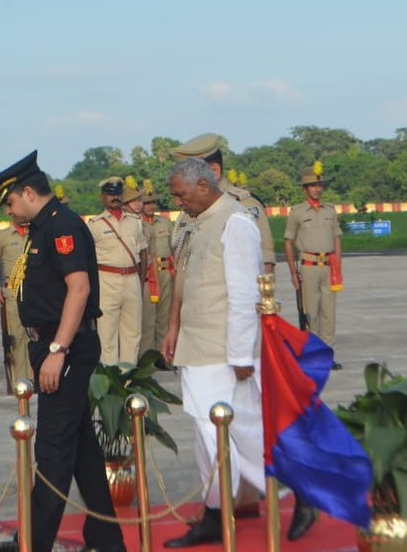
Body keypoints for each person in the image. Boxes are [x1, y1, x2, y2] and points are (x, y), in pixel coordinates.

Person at [0, 150, 127, 552]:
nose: (10, 212)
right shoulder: (41, 227)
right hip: (49, 342)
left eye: (11, 202)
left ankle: (31, 541)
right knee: (81, 450)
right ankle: (106, 538)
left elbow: (78, 289)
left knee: (53, 449)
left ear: (29, 192)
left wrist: (58, 350)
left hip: (65, 345)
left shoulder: (61, 226)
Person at [160, 159, 265, 548]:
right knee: (234, 432)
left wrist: (240, 355)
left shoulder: (235, 223)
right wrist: (174, 329)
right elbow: (188, 286)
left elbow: (243, 295)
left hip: (221, 351)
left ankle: (218, 514)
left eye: (181, 195)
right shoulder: (198, 224)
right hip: (200, 344)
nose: (178, 203)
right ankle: (293, 490)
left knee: (214, 433)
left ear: (203, 187)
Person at [169, 133, 276, 274]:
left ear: (214, 171)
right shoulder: (188, 212)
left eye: (189, 174)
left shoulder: (243, 206)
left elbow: (263, 266)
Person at [283, 162, 343, 366]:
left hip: (328, 266)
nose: (317, 189)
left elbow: (336, 239)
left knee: (329, 313)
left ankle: (328, 355)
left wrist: (338, 267)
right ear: (305, 189)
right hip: (308, 267)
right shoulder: (298, 213)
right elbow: (288, 242)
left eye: (319, 186)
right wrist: (293, 271)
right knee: (311, 313)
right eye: (312, 186)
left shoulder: (330, 211)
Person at [87, 176, 146, 365]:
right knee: (107, 334)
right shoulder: (94, 225)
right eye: (110, 194)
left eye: (118, 193)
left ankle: (128, 380)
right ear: (102, 197)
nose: (115, 197)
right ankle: (111, 383)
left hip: (132, 279)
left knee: (133, 333)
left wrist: (141, 280)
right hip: (106, 279)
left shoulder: (135, 221)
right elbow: (87, 260)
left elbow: (143, 253)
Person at [0, 218, 33, 385]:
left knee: (34, 335)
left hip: (33, 289)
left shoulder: (35, 233)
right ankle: (21, 380)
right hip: (13, 290)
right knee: (17, 336)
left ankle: (34, 377)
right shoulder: (2, 237)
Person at [138, 186, 174, 363]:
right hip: (148, 276)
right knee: (148, 319)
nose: (151, 206)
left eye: (153, 202)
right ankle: (146, 359)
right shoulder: (137, 225)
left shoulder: (165, 223)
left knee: (164, 317)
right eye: (147, 203)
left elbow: (174, 248)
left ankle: (163, 356)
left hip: (165, 273)